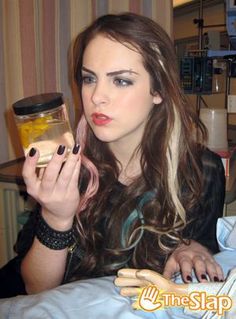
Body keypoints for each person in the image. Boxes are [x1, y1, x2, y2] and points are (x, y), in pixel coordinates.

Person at [0, 12, 225, 298]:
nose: (96, 97)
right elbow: (36, 288)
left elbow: (200, 246)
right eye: (89, 78)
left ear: (158, 89)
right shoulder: (68, 166)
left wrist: (192, 249)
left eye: (120, 81)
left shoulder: (200, 170)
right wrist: (56, 218)